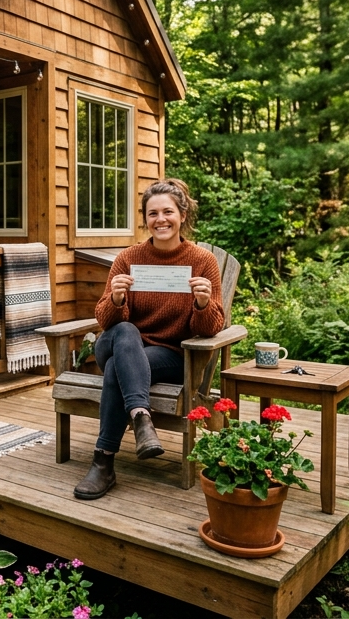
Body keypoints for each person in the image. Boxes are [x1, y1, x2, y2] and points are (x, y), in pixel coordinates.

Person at [73, 178, 225, 500]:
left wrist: (202, 303)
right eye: (152, 213)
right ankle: (141, 419)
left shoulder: (203, 262)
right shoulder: (128, 258)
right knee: (125, 334)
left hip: (168, 354)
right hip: (117, 341)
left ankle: (105, 460)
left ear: (182, 215)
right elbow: (104, 318)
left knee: (117, 368)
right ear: (145, 219)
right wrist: (115, 299)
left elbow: (212, 327)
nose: (161, 220)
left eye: (168, 211)